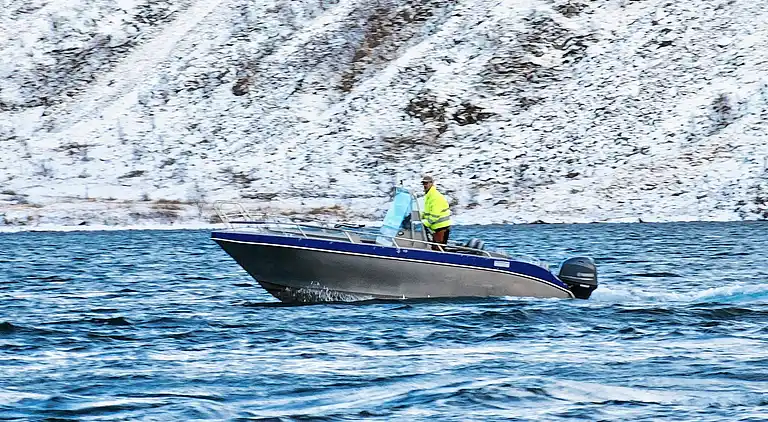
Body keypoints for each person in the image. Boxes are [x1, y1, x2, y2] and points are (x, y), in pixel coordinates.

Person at [420, 175, 452, 249]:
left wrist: (423, 223)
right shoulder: (429, 196)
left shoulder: (435, 197)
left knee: (438, 251)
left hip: (441, 229)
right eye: (423, 183)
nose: (425, 185)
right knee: (434, 249)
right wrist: (417, 216)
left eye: (426, 183)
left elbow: (434, 216)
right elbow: (427, 213)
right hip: (436, 229)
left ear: (431, 183)